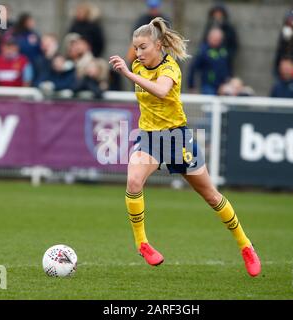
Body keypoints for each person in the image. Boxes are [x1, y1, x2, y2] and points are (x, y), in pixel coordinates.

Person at [109, 17, 261, 277]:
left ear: (158, 45)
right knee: (133, 182)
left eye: (144, 47)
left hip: (177, 138)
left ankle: (246, 246)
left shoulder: (170, 68)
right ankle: (142, 243)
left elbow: (160, 91)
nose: (139, 52)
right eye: (136, 47)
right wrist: (130, 69)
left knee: (211, 196)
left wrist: (128, 73)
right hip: (149, 137)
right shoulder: (137, 64)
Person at [187, 27, 231, 95]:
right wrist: (191, 85)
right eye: (215, 39)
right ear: (209, 38)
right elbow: (193, 68)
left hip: (222, 86)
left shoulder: (223, 51)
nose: (217, 41)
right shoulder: (203, 51)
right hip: (208, 86)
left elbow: (227, 68)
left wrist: (227, 82)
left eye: (219, 39)